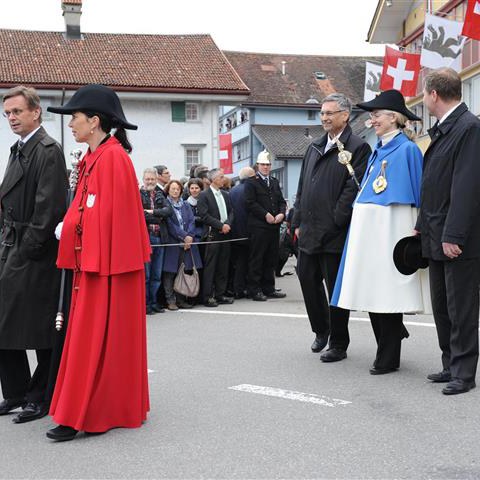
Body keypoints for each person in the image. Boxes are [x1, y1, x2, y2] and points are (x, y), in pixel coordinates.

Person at [46, 83, 151, 441]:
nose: (71, 124)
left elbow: (109, 218)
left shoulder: (113, 158)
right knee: (90, 340)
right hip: (91, 261)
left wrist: (70, 225)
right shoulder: (95, 156)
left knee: (94, 340)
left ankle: (85, 413)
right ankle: (87, 406)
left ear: (94, 121)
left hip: (104, 265)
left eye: (75, 117)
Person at [331, 89, 428, 375]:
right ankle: (388, 345)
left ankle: (388, 355)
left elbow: (419, 195)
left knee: (388, 294)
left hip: (392, 235)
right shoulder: (379, 150)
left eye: (376, 115)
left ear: (393, 118)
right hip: (371, 236)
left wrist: (418, 232)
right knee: (374, 292)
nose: (371, 120)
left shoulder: (408, 150)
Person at [0, 86, 68, 423]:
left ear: (35, 112)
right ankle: (15, 391)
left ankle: (40, 395)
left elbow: (50, 208)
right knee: (6, 322)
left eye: (17, 112)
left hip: (34, 252)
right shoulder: (20, 148)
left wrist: (28, 249)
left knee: (40, 328)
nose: (11, 118)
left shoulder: (48, 150)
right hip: (12, 245)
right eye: (7, 113)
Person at [292, 93, 370, 359]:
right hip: (309, 229)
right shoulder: (314, 147)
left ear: (345, 116)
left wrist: (337, 219)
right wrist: (297, 220)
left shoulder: (358, 147)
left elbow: (352, 190)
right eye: (322, 113)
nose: (324, 118)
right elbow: (302, 186)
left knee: (335, 289)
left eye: (330, 113)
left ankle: (338, 342)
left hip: (335, 232)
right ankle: (320, 330)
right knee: (306, 278)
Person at [418, 68, 480, 395]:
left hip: (456, 239)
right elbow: (434, 185)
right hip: (435, 234)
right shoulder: (445, 129)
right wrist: (420, 228)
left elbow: (467, 186)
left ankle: (464, 372)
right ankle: (449, 363)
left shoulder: (468, 128)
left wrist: (453, 235)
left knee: (462, 308)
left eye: (424, 94)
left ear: (434, 95)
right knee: (442, 306)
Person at [244, 150, 287, 301]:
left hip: (273, 226)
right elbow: (250, 203)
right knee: (257, 258)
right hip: (258, 226)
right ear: (257, 166)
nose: (266, 167)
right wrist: (265, 214)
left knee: (271, 258)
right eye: (263, 165)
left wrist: (282, 213)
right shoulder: (251, 182)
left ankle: (269, 288)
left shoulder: (274, 181)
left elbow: (281, 201)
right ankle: (254, 290)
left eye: (268, 165)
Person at [162, 180, 203, 310]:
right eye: (173, 189)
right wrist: (184, 236)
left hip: (187, 242)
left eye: (177, 189)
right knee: (170, 272)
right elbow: (170, 225)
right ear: (168, 190)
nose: (175, 191)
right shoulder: (165, 204)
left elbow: (191, 220)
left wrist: (189, 236)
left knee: (183, 270)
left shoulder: (185, 204)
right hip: (173, 243)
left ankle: (181, 299)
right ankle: (170, 300)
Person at [197, 168, 234, 307]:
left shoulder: (225, 194)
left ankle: (220, 293)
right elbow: (204, 215)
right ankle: (207, 296)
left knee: (223, 266)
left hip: (226, 233)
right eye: (221, 177)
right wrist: (220, 225)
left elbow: (231, 211)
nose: (223, 179)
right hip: (213, 234)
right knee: (211, 266)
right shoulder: (204, 195)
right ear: (213, 179)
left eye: (223, 177)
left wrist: (228, 224)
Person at [140, 167, 173, 315]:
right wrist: (158, 216)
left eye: (152, 179)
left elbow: (168, 212)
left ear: (156, 179)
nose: (150, 181)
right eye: (147, 179)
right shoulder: (138, 195)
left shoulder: (160, 194)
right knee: (146, 276)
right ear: (143, 180)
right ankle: (146, 304)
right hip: (146, 238)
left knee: (156, 275)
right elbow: (140, 215)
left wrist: (152, 213)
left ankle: (154, 303)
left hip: (160, 238)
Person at [229, 166, 255, 299]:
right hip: (249, 231)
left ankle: (237, 288)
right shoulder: (251, 190)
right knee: (250, 261)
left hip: (234, 232)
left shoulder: (232, 190)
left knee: (239, 262)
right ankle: (247, 288)